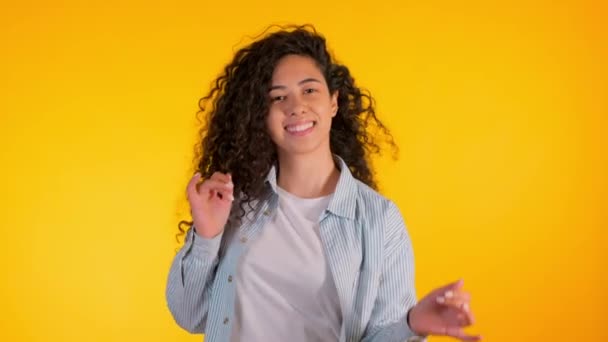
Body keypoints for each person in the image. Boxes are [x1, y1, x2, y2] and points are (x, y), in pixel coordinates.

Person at [165, 25, 481, 342]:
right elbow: (190, 316)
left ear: (333, 102)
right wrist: (207, 237)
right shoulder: (235, 205)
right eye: (278, 97)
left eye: (309, 90)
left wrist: (411, 324)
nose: (295, 106)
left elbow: (381, 335)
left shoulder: (379, 220)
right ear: (261, 115)